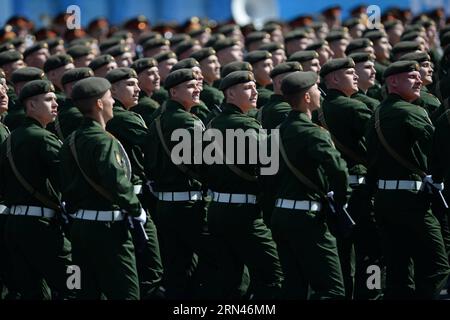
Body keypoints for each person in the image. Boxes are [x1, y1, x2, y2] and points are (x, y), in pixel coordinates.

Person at [365, 60, 450, 299]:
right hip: (412, 201)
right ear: (393, 82)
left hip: (383, 200)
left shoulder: (376, 114)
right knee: (437, 266)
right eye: (412, 77)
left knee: (397, 271)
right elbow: (434, 150)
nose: (420, 81)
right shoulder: (413, 111)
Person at [59, 77, 143, 299]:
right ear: (98, 104)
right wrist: (136, 209)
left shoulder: (71, 140)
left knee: (85, 293)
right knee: (127, 295)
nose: (113, 102)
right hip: (108, 228)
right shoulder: (103, 140)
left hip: (79, 227)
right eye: (109, 97)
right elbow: (116, 181)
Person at [206, 70, 283, 299]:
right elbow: (270, 167)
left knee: (232, 280)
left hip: (217, 209)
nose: (255, 92)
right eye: (248, 88)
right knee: (273, 275)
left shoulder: (211, 124)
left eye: (254, 87)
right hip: (245, 214)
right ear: (230, 93)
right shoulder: (248, 126)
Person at [271, 70, 347, 299]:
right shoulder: (313, 133)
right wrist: (340, 203)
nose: (319, 93)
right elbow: (339, 170)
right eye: (316, 89)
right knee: (332, 290)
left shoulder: (276, 132)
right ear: (306, 97)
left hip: (281, 215)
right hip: (308, 219)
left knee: (294, 287)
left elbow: (266, 177)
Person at [0, 79, 73, 299]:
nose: (56, 104)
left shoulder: (11, 138)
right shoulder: (43, 138)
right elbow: (67, 180)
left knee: (33, 292)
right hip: (41, 226)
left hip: (14, 225)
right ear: (31, 106)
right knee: (76, 280)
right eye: (49, 100)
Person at [104, 67, 164, 299]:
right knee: (151, 268)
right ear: (114, 90)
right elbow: (155, 146)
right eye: (130, 84)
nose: (137, 89)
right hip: (134, 198)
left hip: (125, 198)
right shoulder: (123, 118)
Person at [319, 57, 375, 299]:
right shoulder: (355, 107)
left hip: (333, 194)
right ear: (333, 79)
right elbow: (376, 147)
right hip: (360, 191)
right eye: (349, 72)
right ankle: (371, 295)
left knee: (342, 255)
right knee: (371, 253)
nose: (355, 76)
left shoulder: (318, 111)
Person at [130, 58, 161, 127]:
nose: (157, 77)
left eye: (157, 72)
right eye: (150, 73)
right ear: (137, 79)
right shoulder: (149, 106)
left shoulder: (133, 101)